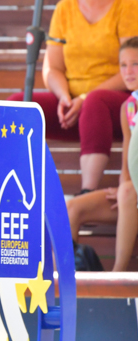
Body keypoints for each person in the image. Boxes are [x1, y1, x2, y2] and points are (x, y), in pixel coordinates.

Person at [9, 0, 138, 193]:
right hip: (72, 107)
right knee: (17, 104)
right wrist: (66, 98)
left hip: (115, 104)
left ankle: (85, 193)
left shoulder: (128, 6)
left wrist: (85, 97)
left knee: (94, 102)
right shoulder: (64, 8)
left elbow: (131, 67)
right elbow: (51, 68)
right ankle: (16, 186)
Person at [65, 37, 138, 271]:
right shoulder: (128, 108)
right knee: (72, 207)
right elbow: (129, 160)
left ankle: (116, 282)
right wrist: (122, 188)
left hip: (133, 194)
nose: (128, 71)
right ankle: (69, 286)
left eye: (135, 64)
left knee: (127, 192)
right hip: (131, 195)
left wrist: (127, 190)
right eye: (123, 65)